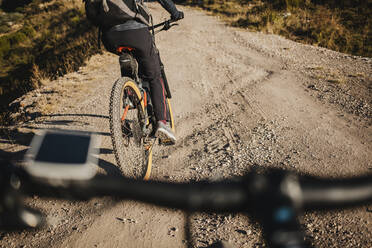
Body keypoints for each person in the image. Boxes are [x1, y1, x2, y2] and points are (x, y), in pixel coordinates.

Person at [101, 0, 184, 144]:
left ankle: (129, 95)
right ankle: (162, 123)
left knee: (128, 58)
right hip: (136, 33)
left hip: (109, 37)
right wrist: (175, 13)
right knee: (154, 75)